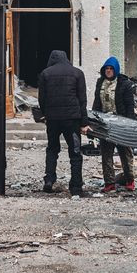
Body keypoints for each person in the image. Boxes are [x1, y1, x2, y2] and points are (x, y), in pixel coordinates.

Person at [36, 49, 87, 197]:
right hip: (72, 119)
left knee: (52, 149)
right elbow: (82, 100)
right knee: (75, 152)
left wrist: (45, 114)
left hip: (53, 119)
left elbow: (42, 98)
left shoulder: (45, 74)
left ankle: (49, 180)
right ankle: (76, 187)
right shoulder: (77, 73)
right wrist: (84, 122)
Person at [92, 56, 136, 192]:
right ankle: (109, 182)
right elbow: (97, 102)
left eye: (111, 68)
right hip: (105, 122)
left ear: (116, 70)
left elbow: (130, 105)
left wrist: (130, 123)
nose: (109, 71)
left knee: (125, 152)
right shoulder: (100, 83)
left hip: (121, 122)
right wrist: (94, 121)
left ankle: (130, 180)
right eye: (107, 68)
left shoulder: (124, 84)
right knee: (106, 153)